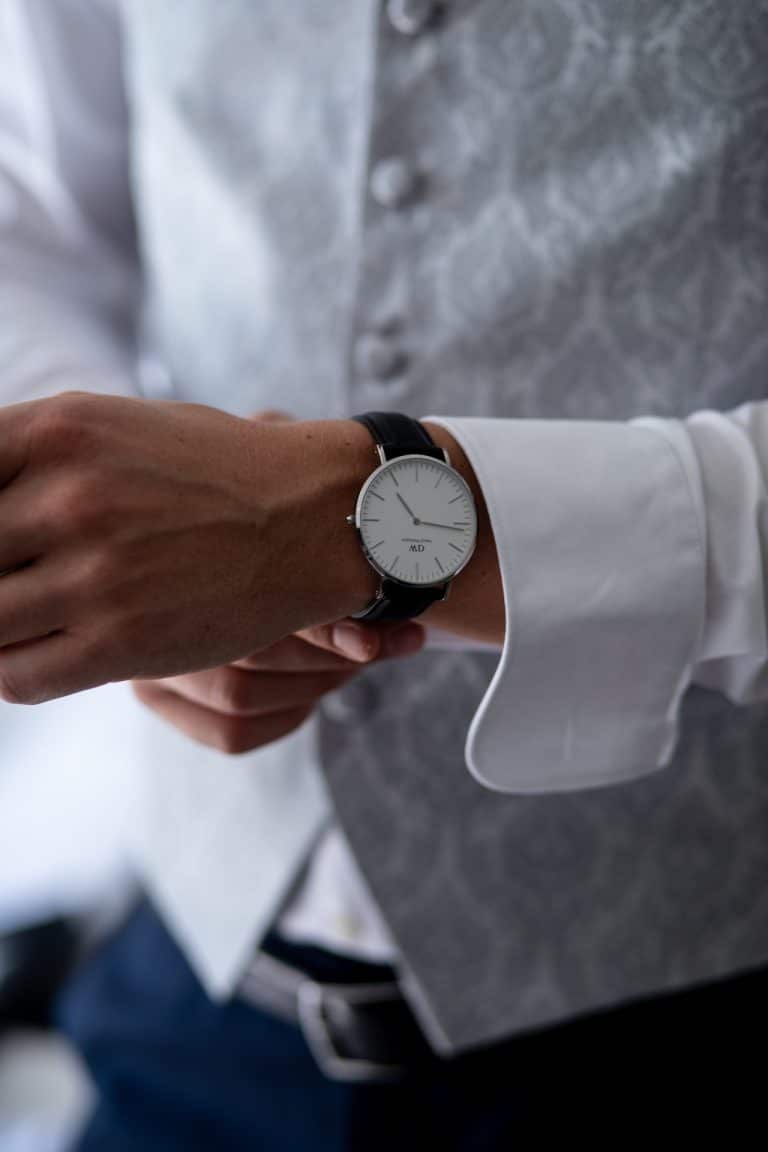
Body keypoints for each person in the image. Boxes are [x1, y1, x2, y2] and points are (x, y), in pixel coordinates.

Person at [1, 0, 767, 1146]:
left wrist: (343, 526)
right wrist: (112, 539)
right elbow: (31, 219)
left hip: (701, 1023)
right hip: (196, 990)